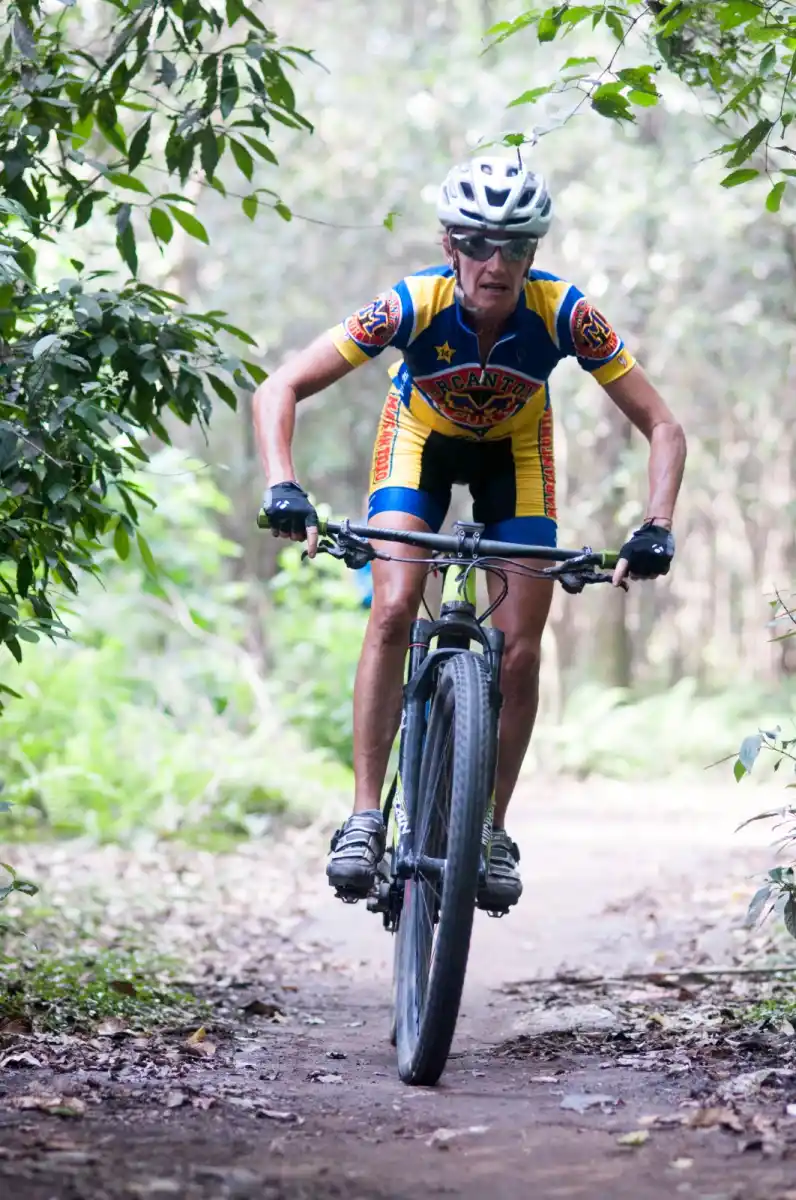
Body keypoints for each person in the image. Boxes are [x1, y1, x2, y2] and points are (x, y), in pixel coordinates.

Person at [253, 154, 686, 912]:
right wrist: (283, 484)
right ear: (450, 244)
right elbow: (278, 387)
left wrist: (657, 527)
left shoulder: (563, 313)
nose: (497, 263)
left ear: (534, 253)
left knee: (520, 648)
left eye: (516, 246)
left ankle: (491, 830)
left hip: (515, 458)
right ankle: (362, 815)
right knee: (393, 606)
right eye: (480, 244)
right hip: (416, 445)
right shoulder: (409, 305)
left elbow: (664, 427)